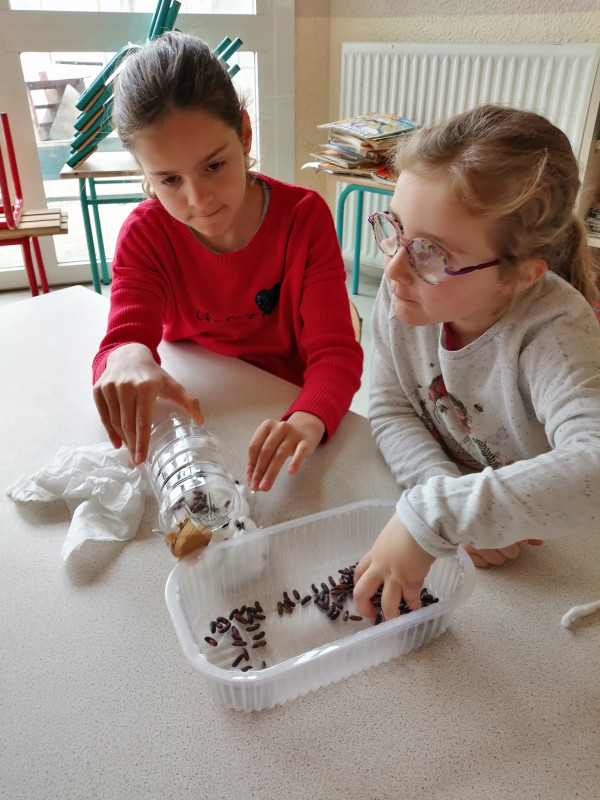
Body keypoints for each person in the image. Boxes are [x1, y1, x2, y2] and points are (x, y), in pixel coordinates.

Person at [352, 104, 600, 620]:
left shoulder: (554, 331)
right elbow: (391, 408)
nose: (392, 267)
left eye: (431, 252)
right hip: (480, 525)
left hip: (554, 566)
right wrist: (447, 500)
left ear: (520, 275)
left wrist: (440, 514)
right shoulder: (404, 292)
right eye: (394, 228)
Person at [92, 31, 362, 492]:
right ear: (144, 172)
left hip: (283, 405)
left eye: (214, 166)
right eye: (169, 180)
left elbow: (335, 353)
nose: (199, 200)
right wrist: (126, 356)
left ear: (244, 133)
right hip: (200, 409)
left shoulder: (303, 218)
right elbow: (122, 340)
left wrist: (308, 417)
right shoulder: (145, 235)